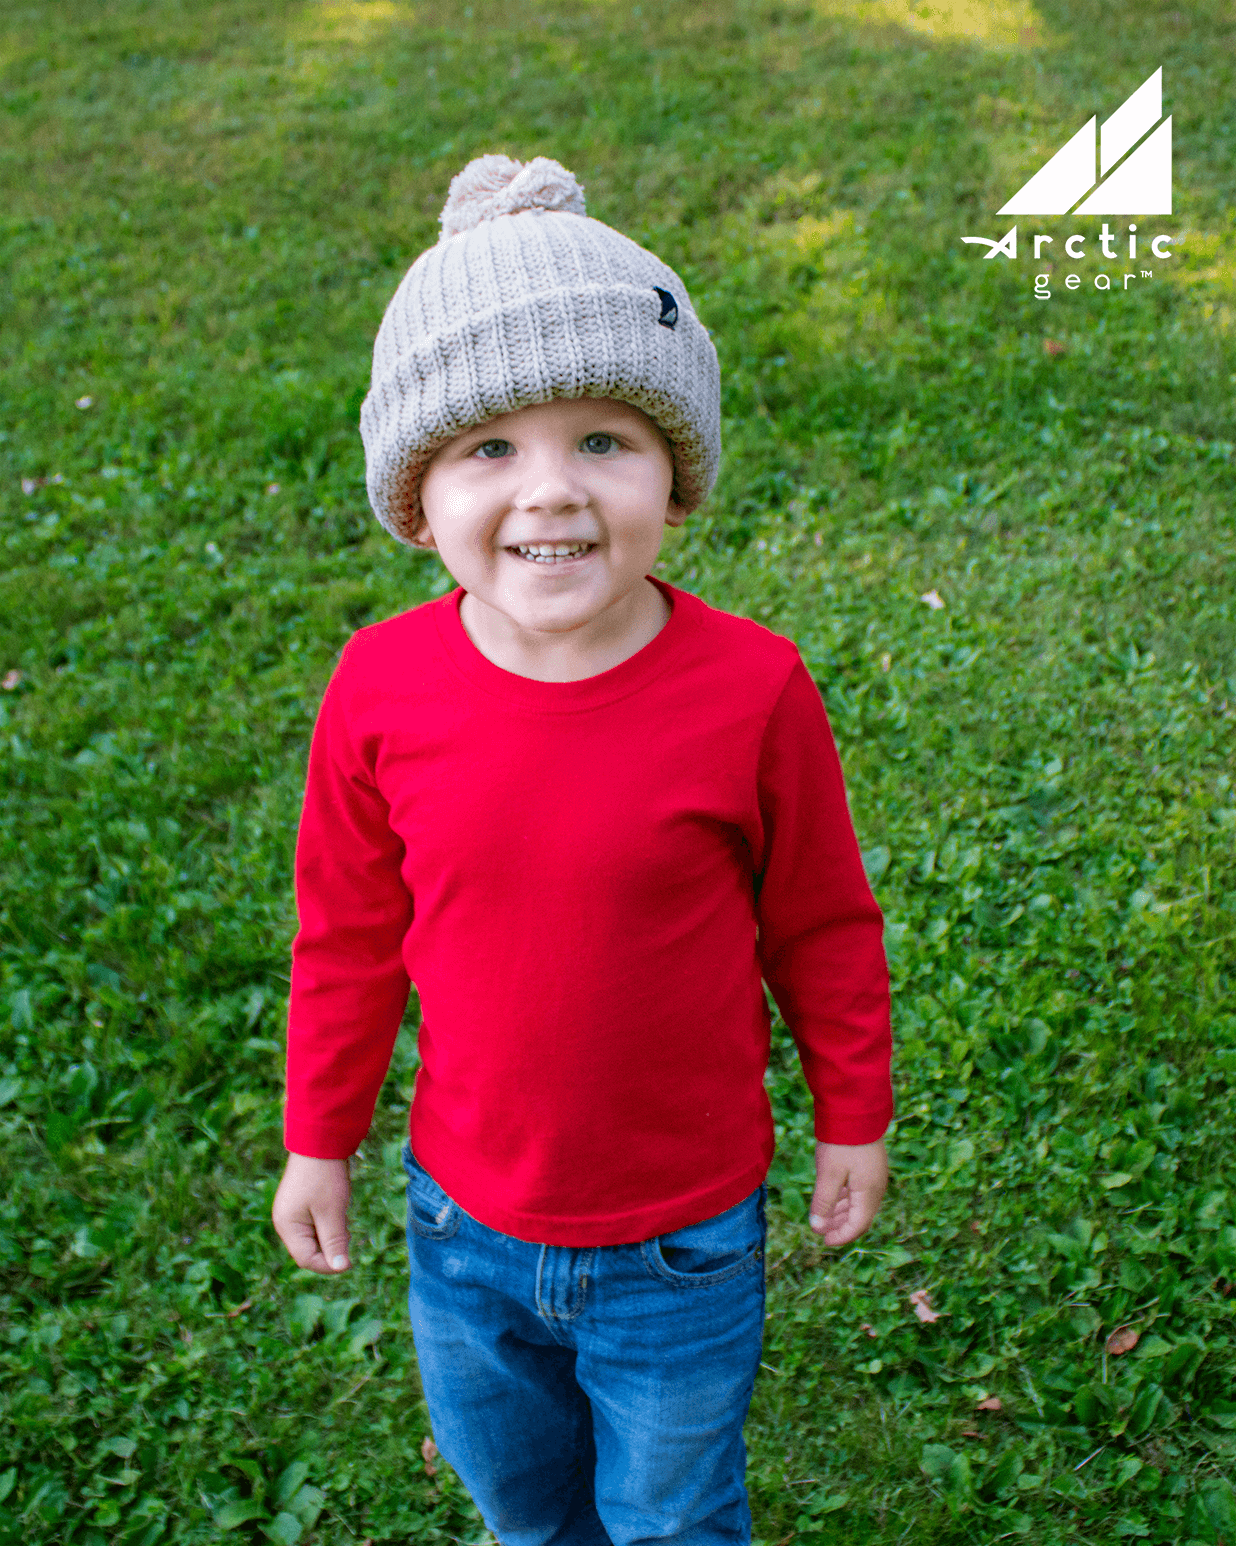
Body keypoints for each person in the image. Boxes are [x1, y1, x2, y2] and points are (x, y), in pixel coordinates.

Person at [272, 153, 893, 1546]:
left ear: (677, 479)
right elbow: (350, 937)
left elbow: (821, 925)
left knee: (671, 1515)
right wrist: (323, 1137)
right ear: (415, 497)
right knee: (526, 1509)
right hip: (465, 1231)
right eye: (490, 448)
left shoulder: (752, 691)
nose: (549, 491)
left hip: (682, 1241)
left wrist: (854, 1111)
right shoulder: (379, 691)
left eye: (603, 439)